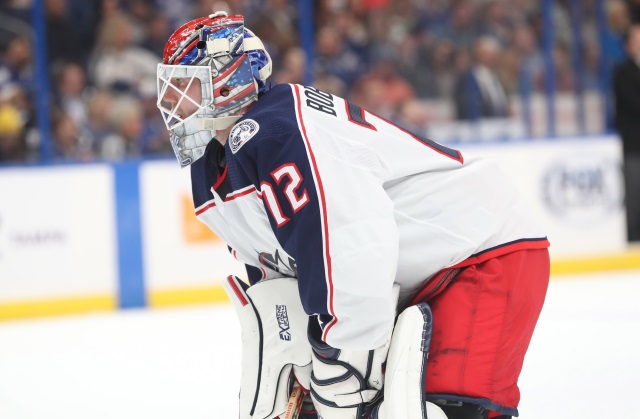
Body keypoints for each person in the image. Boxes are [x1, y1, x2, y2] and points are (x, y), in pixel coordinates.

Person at [156, 12, 550, 419]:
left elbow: (350, 241)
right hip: (408, 274)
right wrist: (301, 355)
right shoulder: (218, 164)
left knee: (441, 411)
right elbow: (285, 272)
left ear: (229, 78)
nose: (168, 100)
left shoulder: (278, 130)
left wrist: (342, 359)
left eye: (183, 84)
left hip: (480, 251)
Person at [613, 24, 640, 243]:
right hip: (634, 145)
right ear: (628, 46)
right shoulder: (622, 72)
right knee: (634, 194)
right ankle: (633, 238)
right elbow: (633, 103)